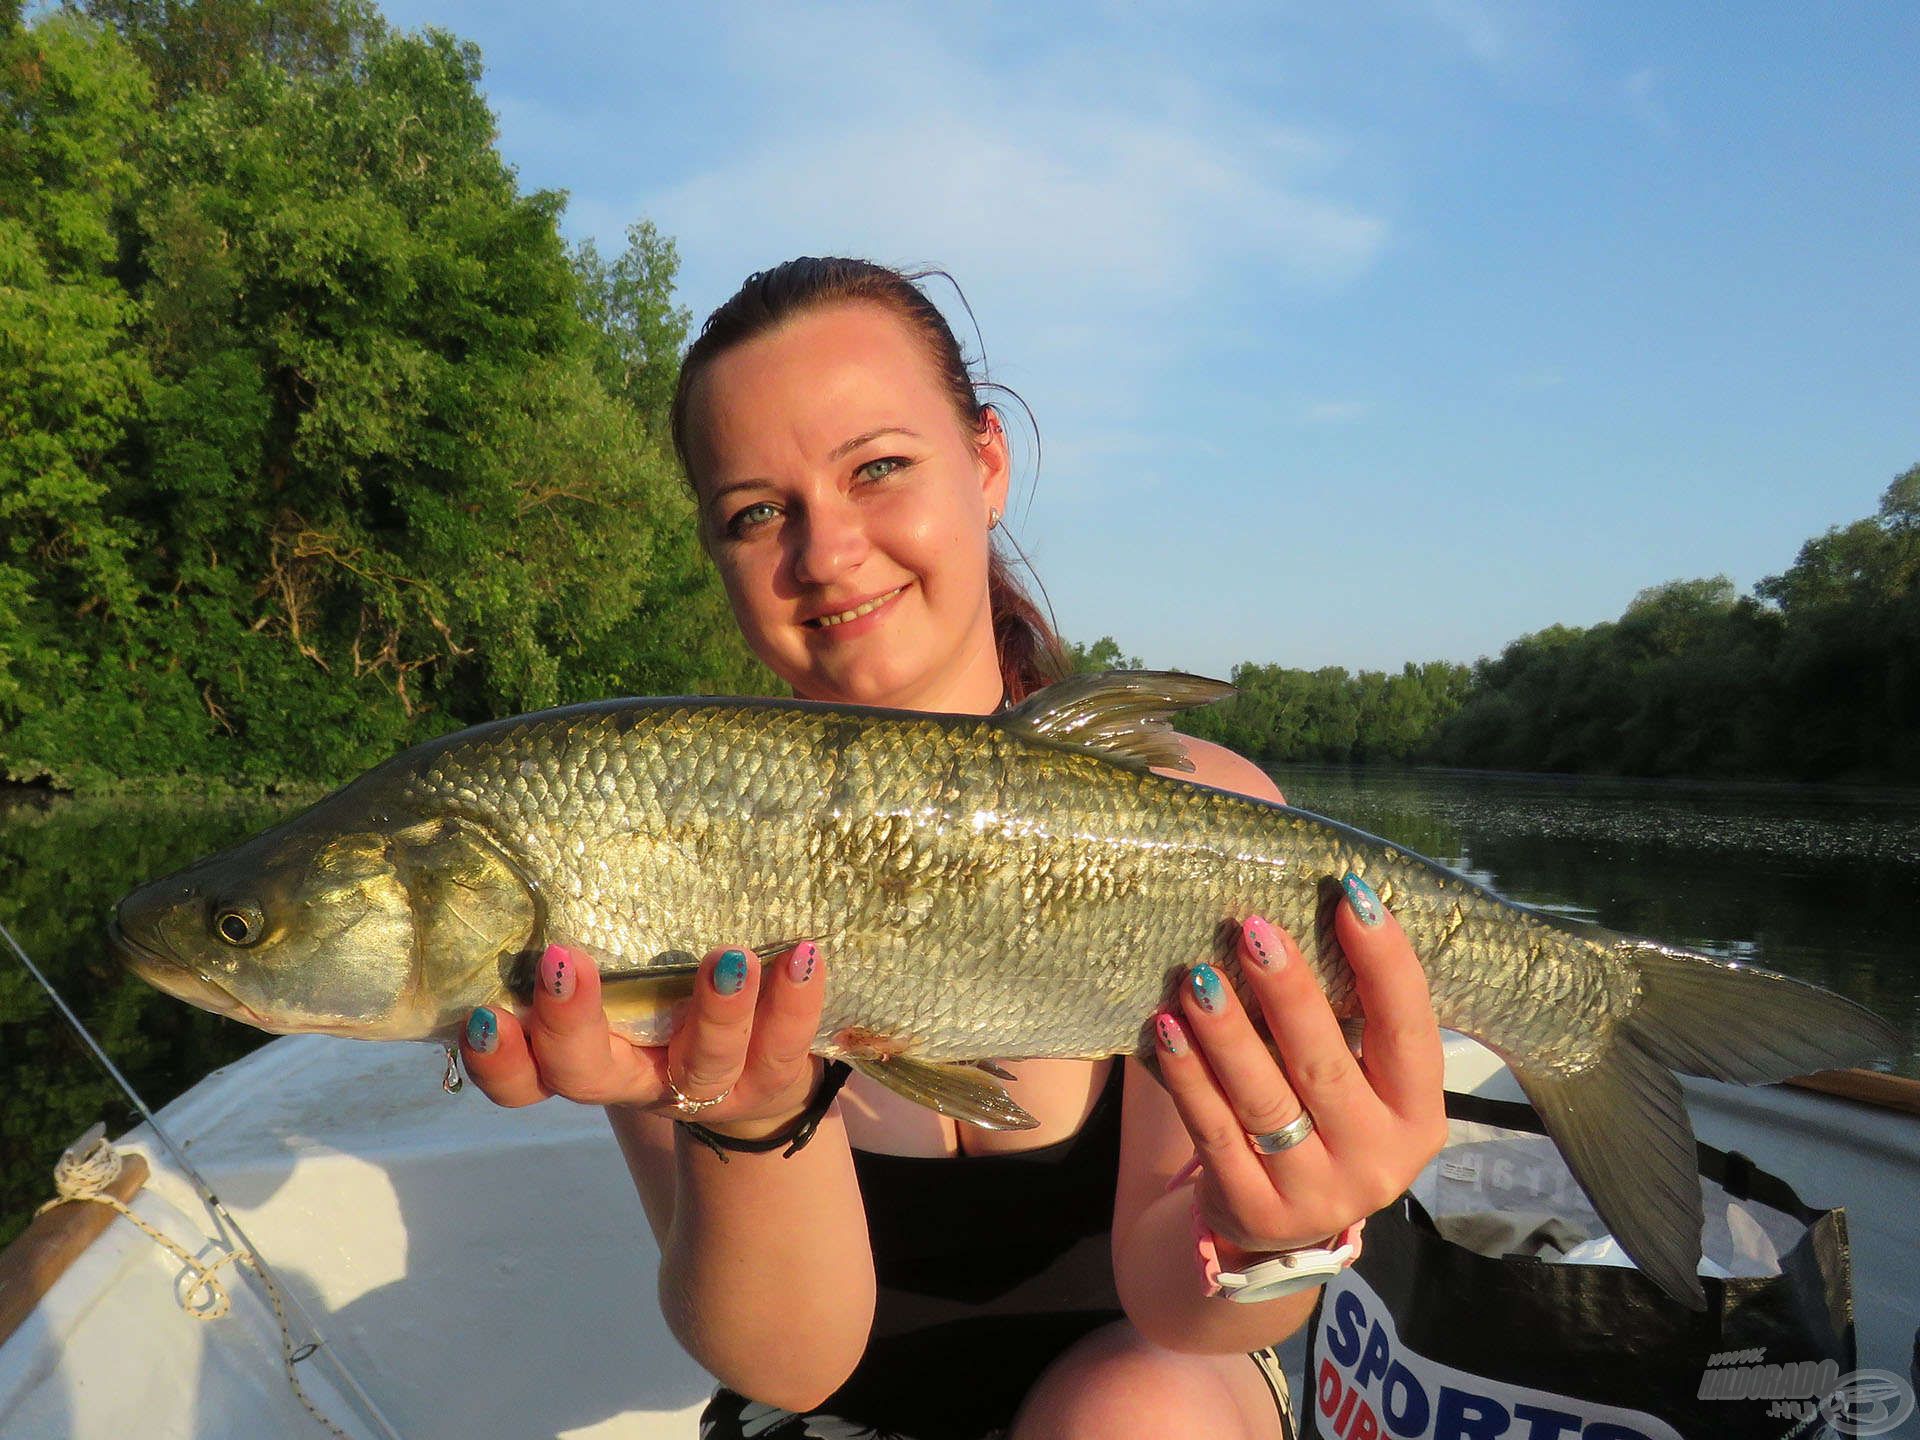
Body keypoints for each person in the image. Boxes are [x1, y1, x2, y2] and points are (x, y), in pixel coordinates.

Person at [458, 258, 1449, 1440]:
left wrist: (1272, 1236)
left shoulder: (1199, 813)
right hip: (828, 1410)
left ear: (986, 462)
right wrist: (743, 1113)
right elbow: (794, 1360)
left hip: (1162, 1388)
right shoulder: (658, 842)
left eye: (877, 468)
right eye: (755, 513)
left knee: (1133, 1415)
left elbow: (1185, 1314)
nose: (824, 554)